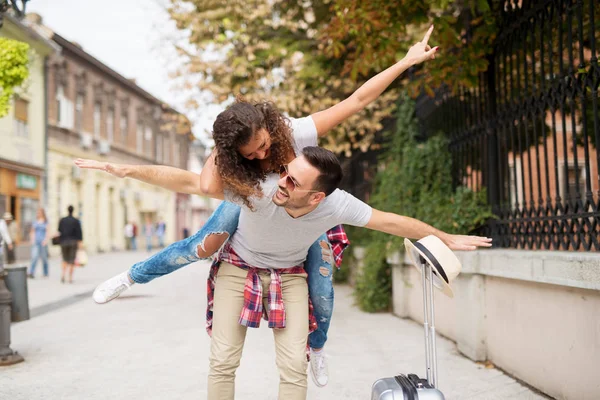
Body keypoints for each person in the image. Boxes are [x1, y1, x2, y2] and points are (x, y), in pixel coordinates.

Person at [76, 26, 441, 387]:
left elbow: (356, 101)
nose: (263, 155)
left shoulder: (294, 131)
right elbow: (196, 184)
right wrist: (126, 170)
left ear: (269, 128)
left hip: (301, 210)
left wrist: (405, 62)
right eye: (252, 154)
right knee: (199, 247)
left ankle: (317, 347)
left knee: (322, 283)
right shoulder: (239, 170)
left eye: (264, 146)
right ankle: (130, 277)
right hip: (256, 204)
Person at [58, 205, 83, 284]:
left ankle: (63, 275)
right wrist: (80, 243)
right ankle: (70, 278)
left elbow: (59, 230)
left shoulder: (62, 220)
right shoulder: (76, 221)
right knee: (72, 260)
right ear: (73, 211)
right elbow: (79, 233)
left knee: (64, 259)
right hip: (73, 242)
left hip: (64, 242)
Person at [28, 208, 49, 278]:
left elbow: (47, 232)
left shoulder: (45, 222)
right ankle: (31, 272)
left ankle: (45, 273)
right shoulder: (35, 222)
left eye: (40, 212)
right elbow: (32, 231)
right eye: (38, 212)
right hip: (36, 242)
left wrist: (46, 240)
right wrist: (32, 240)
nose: (38, 214)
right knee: (34, 257)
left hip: (43, 242)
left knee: (44, 258)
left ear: (43, 213)